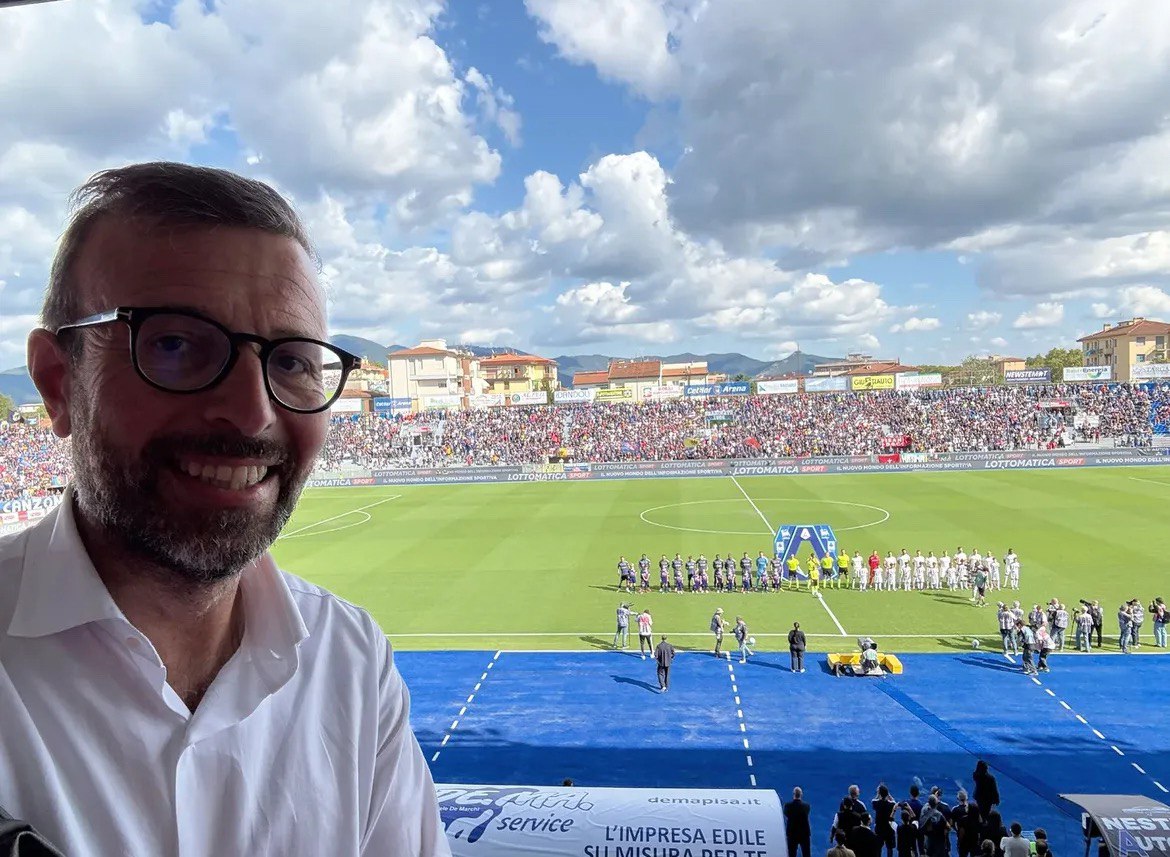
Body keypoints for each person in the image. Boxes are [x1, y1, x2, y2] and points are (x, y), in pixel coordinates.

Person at [0, 162, 447, 855]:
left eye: (293, 361)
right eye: (175, 344)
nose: (251, 412)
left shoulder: (351, 660)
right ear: (59, 383)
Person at [785, 786, 813, 857]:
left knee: (792, 853)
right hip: (804, 833)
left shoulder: (788, 806)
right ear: (801, 794)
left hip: (792, 833)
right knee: (806, 853)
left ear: (793, 794)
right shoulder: (806, 806)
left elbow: (786, 814)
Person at [952, 790, 981, 857]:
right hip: (974, 839)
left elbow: (952, 823)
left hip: (963, 840)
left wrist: (957, 831)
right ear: (967, 798)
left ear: (958, 798)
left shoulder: (955, 810)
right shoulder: (974, 809)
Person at [872, 786, 898, 857]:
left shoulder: (875, 803)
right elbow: (894, 803)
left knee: (878, 848)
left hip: (879, 828)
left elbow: (874, 799)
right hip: (889, 828)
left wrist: (878, 794)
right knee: (889, 848)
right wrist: (889, 795)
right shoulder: (891, 804)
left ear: (879, 794)